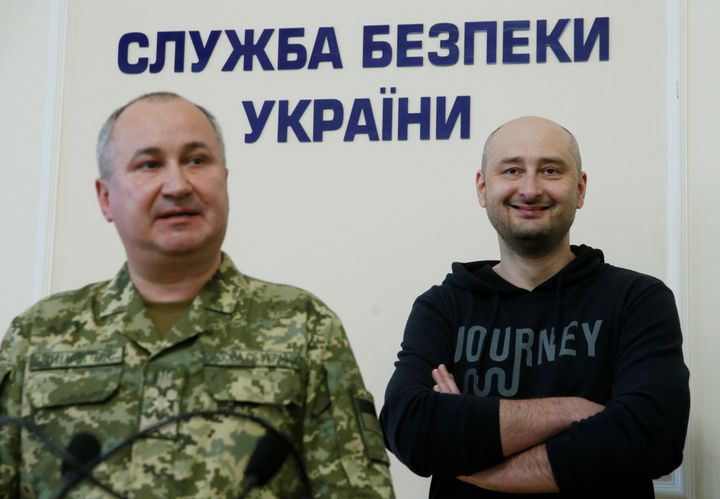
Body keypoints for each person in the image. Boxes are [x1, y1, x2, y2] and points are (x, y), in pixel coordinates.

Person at [0, 92, 394, 498]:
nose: (177, 185)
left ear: (224, 180)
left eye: (196, 160)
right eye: (149, 164)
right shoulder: (38, 334)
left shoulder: (303, 326)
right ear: (105, 198)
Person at [379, 116, 690, 498]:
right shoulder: (443, 306)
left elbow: (653, 435)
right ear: (482, 187)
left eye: (550, 170)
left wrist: (469, 444)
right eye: (512, 170)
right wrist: (572, 410)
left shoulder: (638, 299)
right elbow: (409, 428)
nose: (530, 188)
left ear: (580, 189)